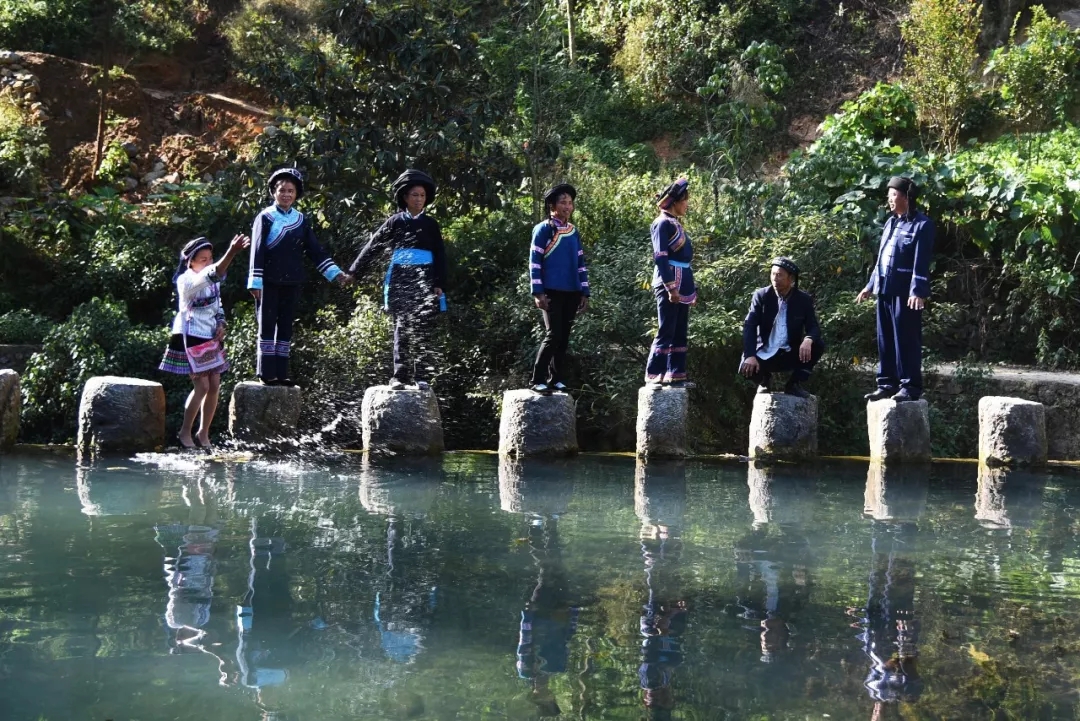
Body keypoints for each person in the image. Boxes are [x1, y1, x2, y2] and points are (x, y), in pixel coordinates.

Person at [248, 167, 352, 387]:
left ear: (296, 194)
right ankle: (266, 373)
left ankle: (282, 373)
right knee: (267, 325)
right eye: (282, 190)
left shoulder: (301, 220)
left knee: (285, 326)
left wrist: (336, 274)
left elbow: (315, 251)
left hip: (292, 280)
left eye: (291, 191)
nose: (286, 194)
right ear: (274, 193)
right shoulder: (265, 217)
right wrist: (254, 282)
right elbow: (257, 251)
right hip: (268, 281)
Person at [349, 169, 447, 391]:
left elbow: (440, 255)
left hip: (425, 279)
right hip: (400, 279)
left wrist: (439, 284)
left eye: (422, 196)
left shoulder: (431, 224)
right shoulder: (394, 222)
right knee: (401, 328)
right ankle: (399, 376)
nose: (419, 199)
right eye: (414, 195)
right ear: (405, 197)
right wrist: (355, 271)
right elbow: (372, 246)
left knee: (422, 328)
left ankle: (421, 376)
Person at [159, 234, 249, 449]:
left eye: (210, 258)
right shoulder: (186, 280)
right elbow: (214, 273)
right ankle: (184, 431)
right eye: (202, 259)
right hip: (190, 334)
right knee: (202, 385)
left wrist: (221, 324)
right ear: (190, 261)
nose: (208, 262)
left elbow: (217, 305)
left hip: (209, 335)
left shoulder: (214, 283)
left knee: (215, 384)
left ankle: (203, 433)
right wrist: (233, 251)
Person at [857, 176, 935, 402]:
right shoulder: (891, 222)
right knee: (885, 338)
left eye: (893, 195)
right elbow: (881, 258)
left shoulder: (923, 225)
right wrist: (870, 285)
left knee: (906, 339)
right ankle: (886, 384)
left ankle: (910, 387)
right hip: (884, 290)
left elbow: (921, 262)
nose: (889, 200)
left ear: (906, 197)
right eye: (889, 195)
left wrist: (918, 291)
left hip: (905, 293)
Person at [528, 182, 590, 394]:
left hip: (572, 291)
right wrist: (538, 291)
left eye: (570, 203)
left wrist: (584, 291)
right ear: (552, 205)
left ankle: (555, 378)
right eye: (563, 202)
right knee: (553, 334)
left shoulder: (573, 231)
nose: (567, 206)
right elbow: (534, 261)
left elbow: (581, 263)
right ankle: (537, 379)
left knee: (564, 336)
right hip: (551, 291)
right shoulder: (544, 229)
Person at [738, 257, 824, 399]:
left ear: (791, 279)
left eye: (779, 275)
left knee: (818, 345)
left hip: (789, 352)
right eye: (773, 274)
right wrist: (750, 355)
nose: (775, 279)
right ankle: (764, 381)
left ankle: (794, 384)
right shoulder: (762, 296)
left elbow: (814, 327)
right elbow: (750, 326)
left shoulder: (804, 300)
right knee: (746, 367)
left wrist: (808, 339)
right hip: (765, 351)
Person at [645, 178, 696, 388]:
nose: (687, 204)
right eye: (685, 200)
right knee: (666, 329)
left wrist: (690, 289)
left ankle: (675, 375)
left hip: (682, 281)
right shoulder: (662, 223)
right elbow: (661, 257)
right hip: (669, 283)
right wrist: (670, 286)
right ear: (675, 202)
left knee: (680, 330)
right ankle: (654, 374)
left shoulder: (675, 223)